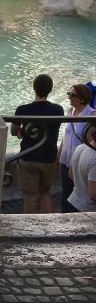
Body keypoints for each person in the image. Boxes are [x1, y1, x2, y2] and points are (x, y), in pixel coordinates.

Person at [11, 74, 64, 214]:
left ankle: (30, 230)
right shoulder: (58, 110)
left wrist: (22, 130)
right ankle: (48, 227)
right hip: (49, 157)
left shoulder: (22, 110)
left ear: (34, 88)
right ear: (50, 90)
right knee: (45, 194)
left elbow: (13, 132)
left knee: (30, 197)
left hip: (28, 156)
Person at [58, 84, 95, 213]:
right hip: (66, 159)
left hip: (80, 160)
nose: (69, 97)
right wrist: (59, 154)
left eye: (72, 95)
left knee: (79, 194)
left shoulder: (91, 115)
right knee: (66, 194)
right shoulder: (70, 111)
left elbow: (92, 141)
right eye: (69, 94)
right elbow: (66, 135)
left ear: (82, 98)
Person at [65, 123, 96, 213]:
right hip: (88, 209)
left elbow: (71, 174)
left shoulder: (80, 147)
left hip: (74, 201)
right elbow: (94, 194)